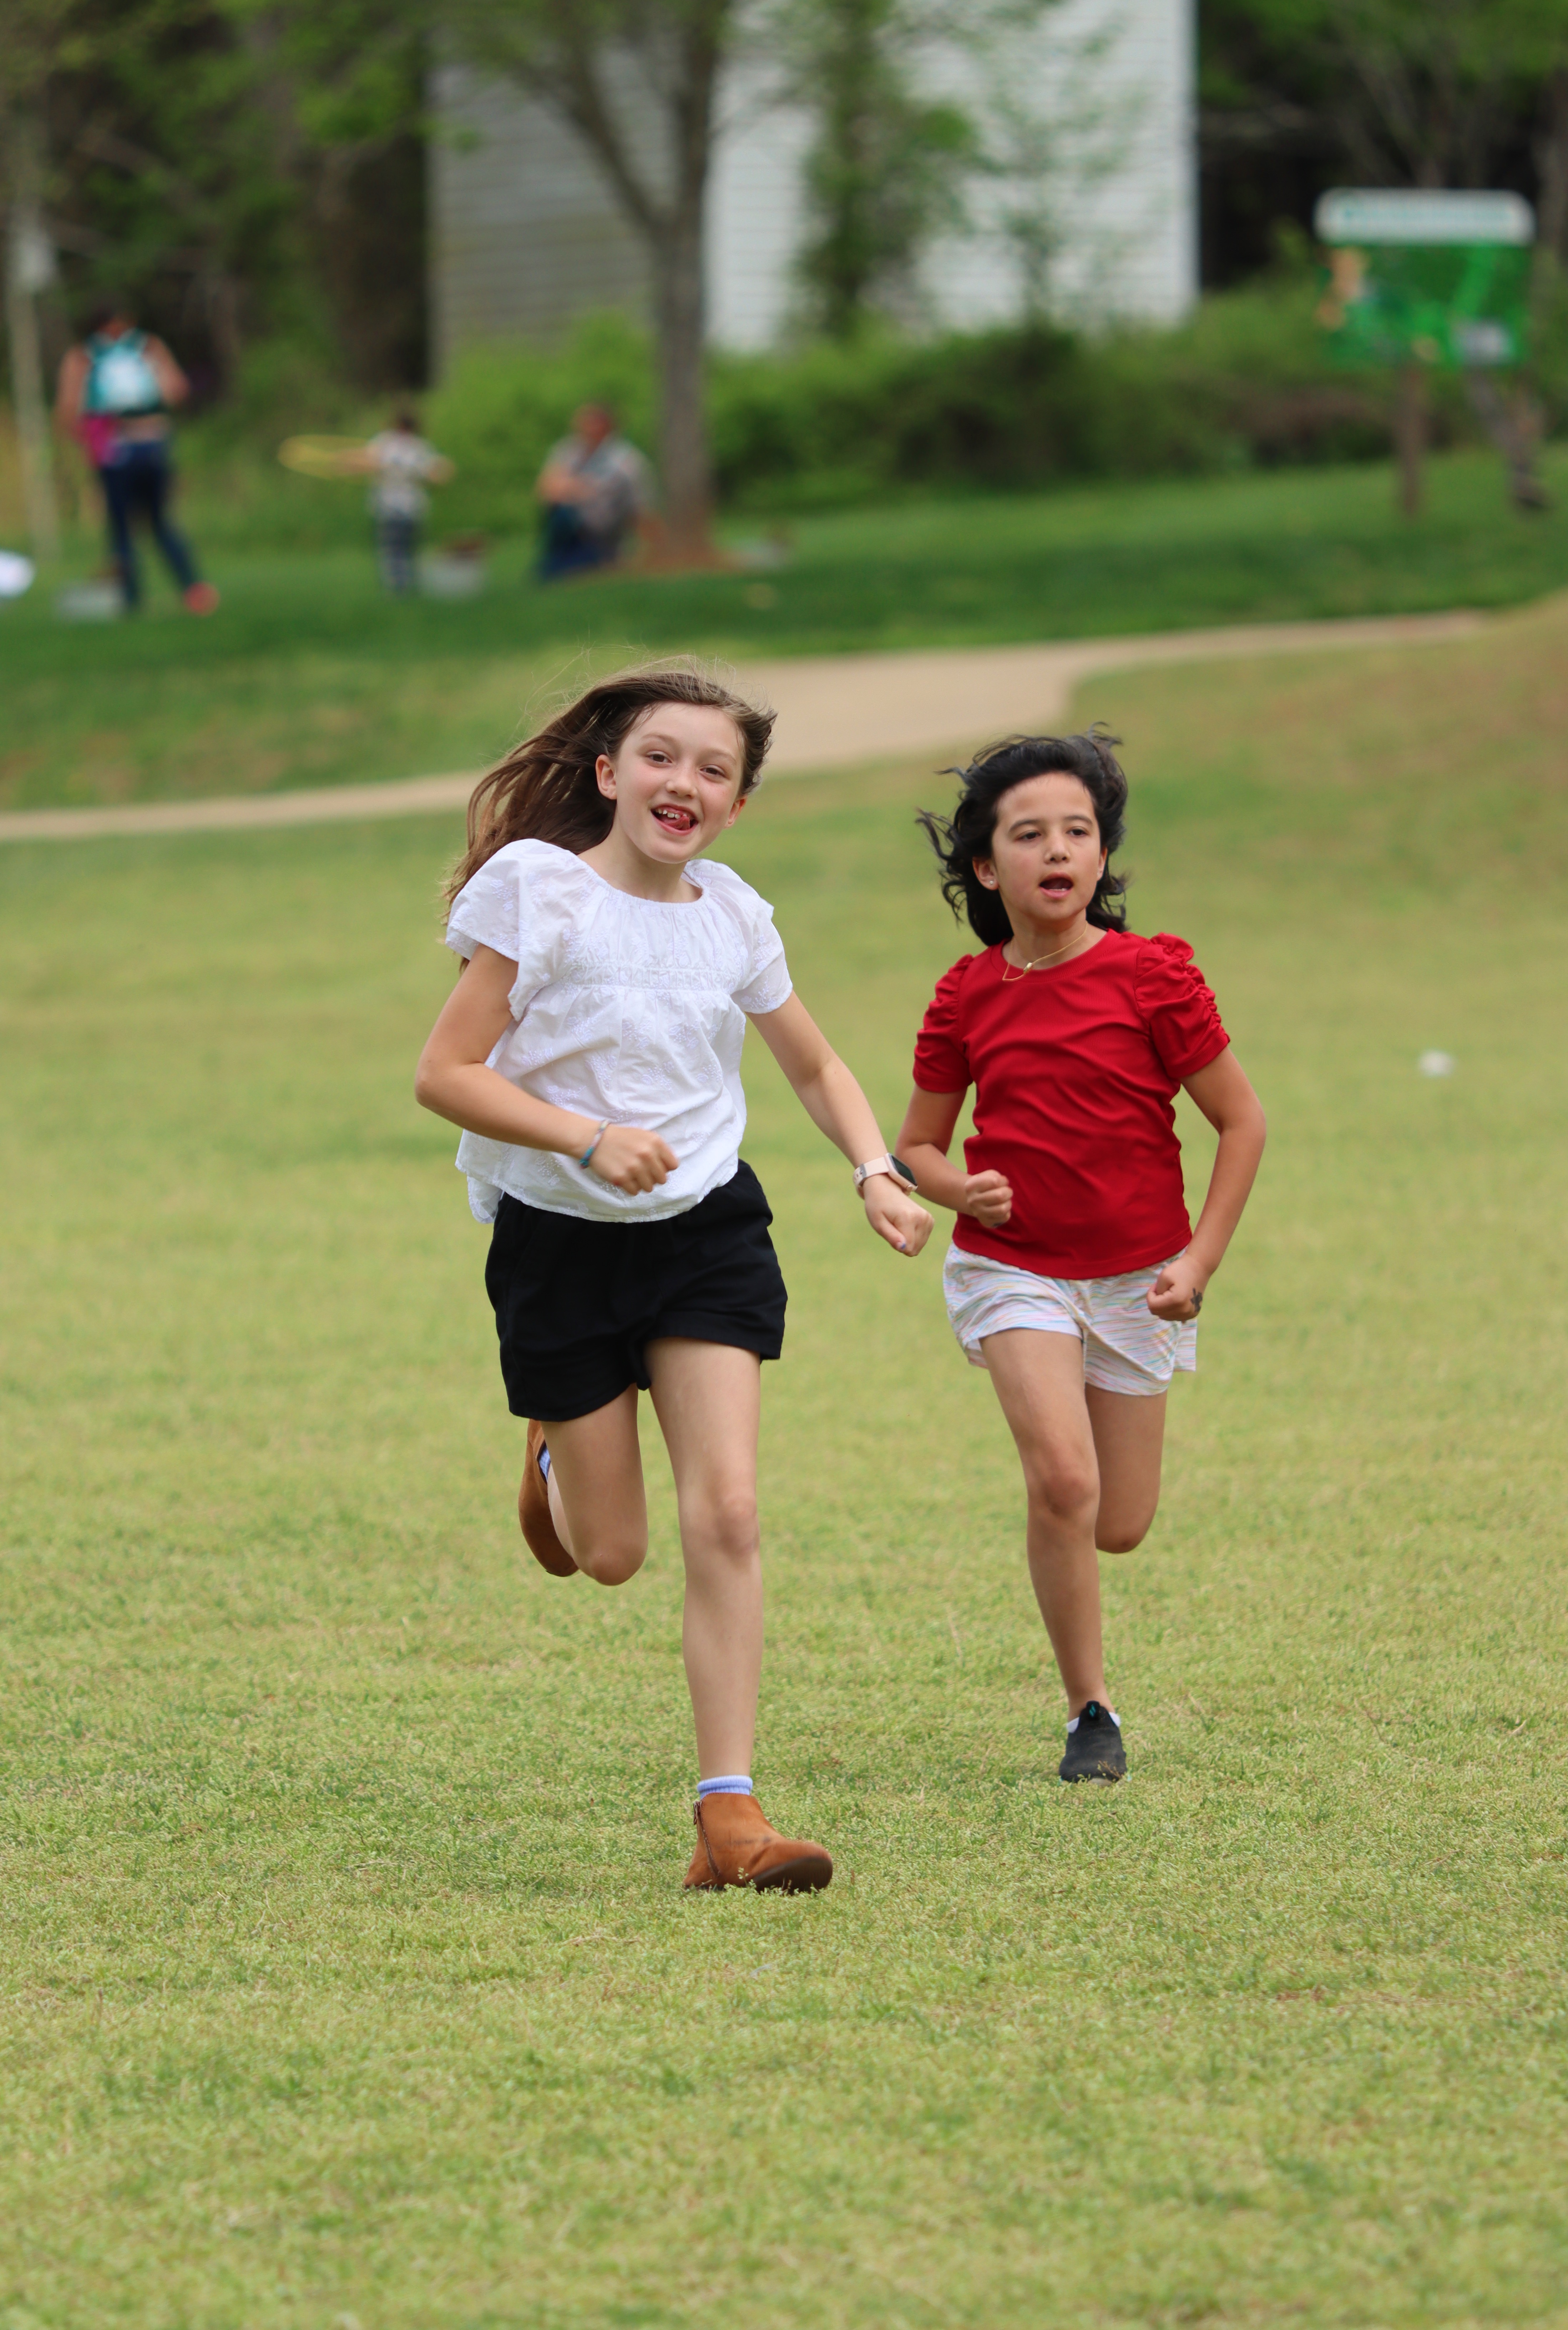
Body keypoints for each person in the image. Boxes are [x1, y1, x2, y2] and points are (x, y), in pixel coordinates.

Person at [414, 664, 932, 1890]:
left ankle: (729, 1813)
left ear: (738, 802)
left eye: (713, 768)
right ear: (607, 771)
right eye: (660, 755)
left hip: (706, 1228)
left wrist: (873, 1169)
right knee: (612, 1552)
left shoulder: (734, 915)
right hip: (559, 1238)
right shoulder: (537, 891)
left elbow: (810, 1064)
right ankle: (554, 1447)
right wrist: (582, 1136)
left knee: (731, 1511)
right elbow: (445, 1070)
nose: (682, 782)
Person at [894, 731, 1266, 1785]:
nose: (1057, 850)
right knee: (1062, 1479)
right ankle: (1088, 1710)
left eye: (1078, 831)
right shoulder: (965, 994)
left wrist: (1196, 1265)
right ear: (984, 865)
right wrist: (958, 1188)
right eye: (1028, 834)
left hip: (1139, 1278)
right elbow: (915, 1144)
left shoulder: (1155, 975)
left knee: (1119, 1522)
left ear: (1101, 858)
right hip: (1012, 1269)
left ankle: (1083, 1598)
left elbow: (1243, 1124)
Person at [54, 301, 218, 615]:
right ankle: (193, 590)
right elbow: (177, 390)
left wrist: (88, 436)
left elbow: (67, 410)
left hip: (114, 449)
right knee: (161, 522)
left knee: (120, 528)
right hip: (153, 443)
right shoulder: (148, 347)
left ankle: (130, 601)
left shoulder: (82, 356)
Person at [535, 403, 655, 580]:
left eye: (593, 424)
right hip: (569, 526)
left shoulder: (626, 461)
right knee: (561, 515)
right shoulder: (568, 450)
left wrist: (569, 486)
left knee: (562, 573)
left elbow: (640, 507)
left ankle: (597, 561)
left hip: (602, 533)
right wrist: (582, 488)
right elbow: (545, 489)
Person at [347, 407, 454, 594]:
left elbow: (363, 463)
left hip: (390, 507)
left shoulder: (385, 443)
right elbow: (439, 474)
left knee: (392, 550)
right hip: (413, 508)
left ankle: (398, 589)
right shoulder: (420, 447)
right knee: (408, 549)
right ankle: (408, 586)